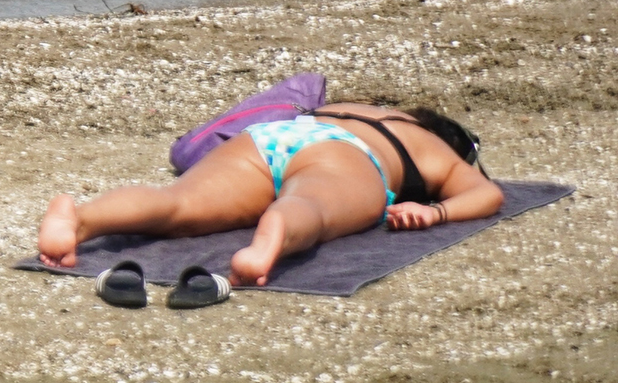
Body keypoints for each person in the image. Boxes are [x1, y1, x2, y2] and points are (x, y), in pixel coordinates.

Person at [37, 103, 501, 287]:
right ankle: (270, 240)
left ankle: (80, 219)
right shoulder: (427, 145)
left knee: (176, 203)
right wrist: (435, 210)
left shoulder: (353, 106)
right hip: (348, 156)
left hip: (274, 136)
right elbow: (486, 194)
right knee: (311, 206)